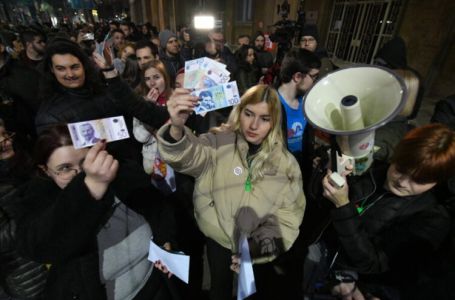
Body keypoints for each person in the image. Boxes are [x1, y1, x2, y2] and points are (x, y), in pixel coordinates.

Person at [157, 85, 306, 300]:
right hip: (218, 243)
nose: (254, 125)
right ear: (240, 111)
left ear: (274, 122)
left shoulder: (287, 165)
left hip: (257, 250)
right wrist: (177, 128)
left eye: (264, 118)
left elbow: (289, 218)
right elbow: (188, 157)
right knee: (219, 291)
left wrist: (255, 250)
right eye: (248, 114)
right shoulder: (218, 142)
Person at [16, 125, 180, 300]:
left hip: (156, 284)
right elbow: (37, 245)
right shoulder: (41, 201)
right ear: (45, 170)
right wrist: (89, 189)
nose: (80, 174)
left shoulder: (120, 177)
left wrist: (164, 240)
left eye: (85, 162)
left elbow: (157, 208)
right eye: (64, 168)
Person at [318, 124, 455, 299]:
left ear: (436, 181)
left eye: (418, 180)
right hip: (319, 256)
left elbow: (374, 263)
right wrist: (327, 169)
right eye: (401, 169)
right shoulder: (374, 168)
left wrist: (343, 206)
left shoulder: (432, 218)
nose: (403, 182)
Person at [0, 119, 48, 300]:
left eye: (5, 135)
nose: (7, 142)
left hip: (56, 253)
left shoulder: (25, 161)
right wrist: (34, 214)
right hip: (29, 273)